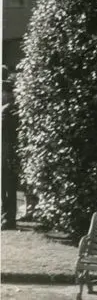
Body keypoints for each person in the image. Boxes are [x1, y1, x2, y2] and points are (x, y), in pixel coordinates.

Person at [2, 79, 19, 230]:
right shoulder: (11, 109)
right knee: (8, 186)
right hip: (9, 152)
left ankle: (8, 218)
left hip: (7, 153)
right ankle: (7, 217)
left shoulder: (7, 110)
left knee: (7, 187)